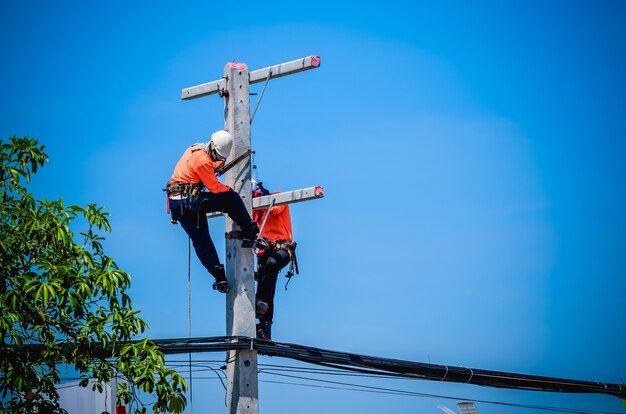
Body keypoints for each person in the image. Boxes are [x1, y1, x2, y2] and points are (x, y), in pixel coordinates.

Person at [165, 130, 260, 294]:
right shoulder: (202, 161)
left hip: (179, 204)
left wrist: (215, 165)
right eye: (218, 157)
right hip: (189, 202)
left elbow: (202, 169)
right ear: (213, 149)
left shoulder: (195, 149)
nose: (219, 161)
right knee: (231, 198)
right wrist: (229, 191)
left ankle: (219, 277)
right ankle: (250, 232)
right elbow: (215, 188)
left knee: (202, 241)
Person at [252, 182, 297, 341]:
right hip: (264, 253)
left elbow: (275, 208)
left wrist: (263, 197)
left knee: (271, 265)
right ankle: (263, 328)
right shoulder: (256, 213)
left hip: (282, 250)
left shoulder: (277, 197)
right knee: (266, 282)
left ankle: (262, 310)